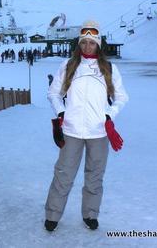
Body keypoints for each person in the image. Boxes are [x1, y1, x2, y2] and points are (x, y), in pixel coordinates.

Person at [44, 20, 129, 232]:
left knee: (94, 176)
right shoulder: (68, 66)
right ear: (79, 44)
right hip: (71, 130)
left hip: (99, 132)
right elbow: (54, 93)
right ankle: (53, 214)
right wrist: (61, 112)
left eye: (92, 43)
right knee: (63, 174)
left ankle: (90, 214)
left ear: (98, 45)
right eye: (84, 43)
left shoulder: (109, 68)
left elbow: (121, 97)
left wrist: (109, 116)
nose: (87, 47)